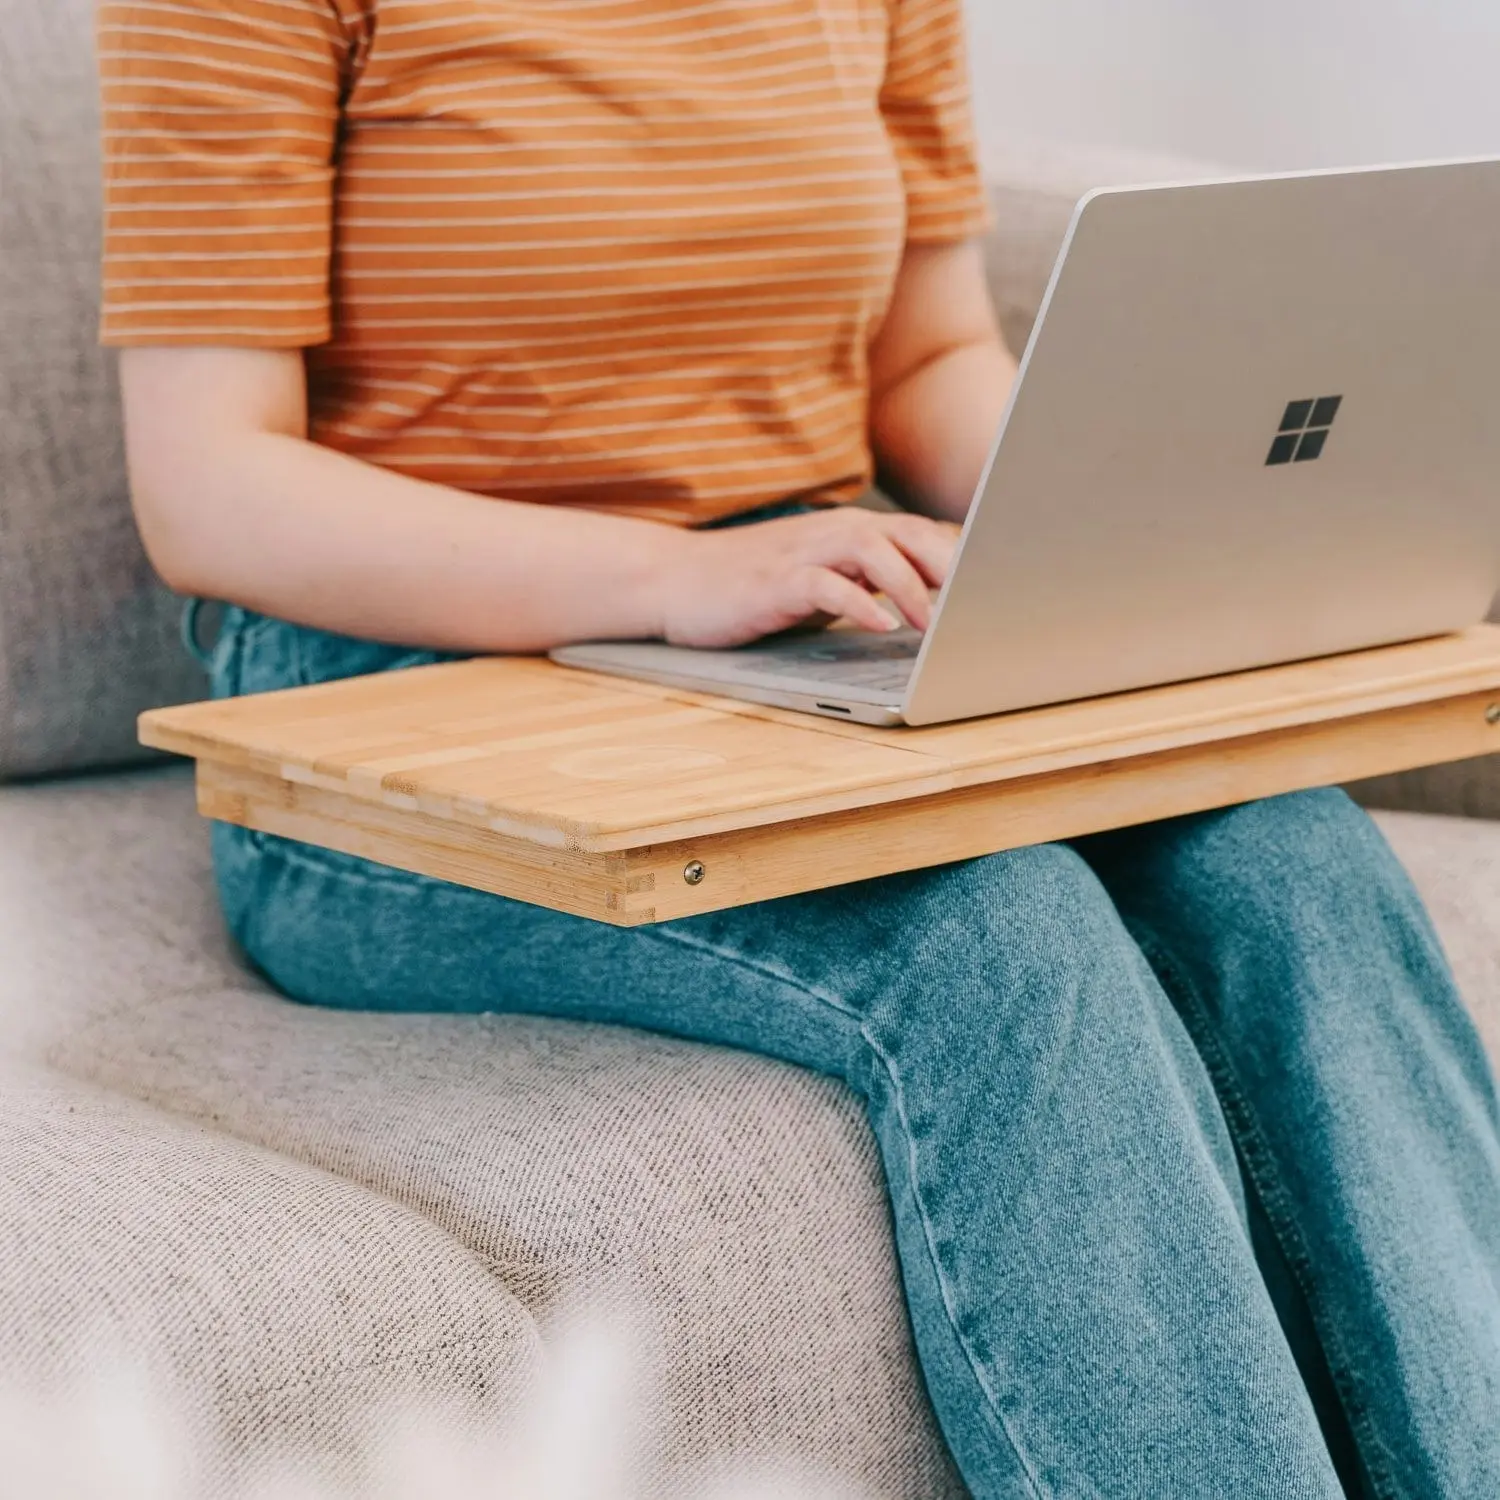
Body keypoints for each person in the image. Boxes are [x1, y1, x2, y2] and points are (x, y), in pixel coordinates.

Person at [97, 1, 1499, 1494]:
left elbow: (929, 353)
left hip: (811, 618)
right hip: (385, 713)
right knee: (989, 931)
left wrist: (1097, 530)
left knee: (1287, 852)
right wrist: (669, 578)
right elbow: (208, 489)